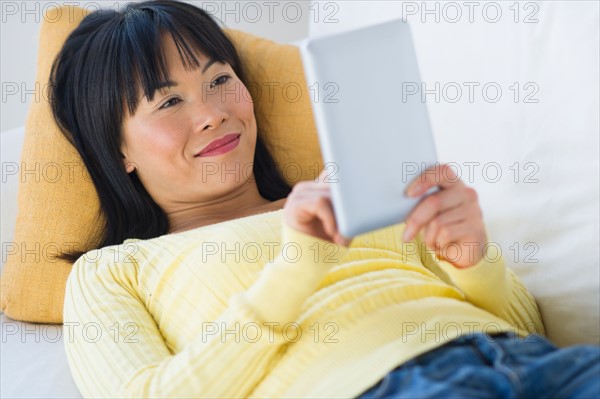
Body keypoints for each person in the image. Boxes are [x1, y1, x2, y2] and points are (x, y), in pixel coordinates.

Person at [50, 1, 600, 398]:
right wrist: (294, 270)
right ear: (117, 148)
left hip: (538, 362)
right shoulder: (114, 271)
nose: (212, 111)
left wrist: (474, 262)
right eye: (168, 100)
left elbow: (528, 328)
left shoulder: (352, 191)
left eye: (219, 79)